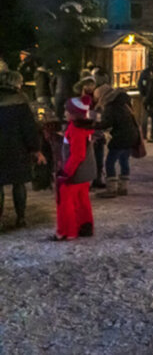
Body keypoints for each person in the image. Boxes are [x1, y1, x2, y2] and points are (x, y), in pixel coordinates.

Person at [0, 69, 45, 229]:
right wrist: (35, 149)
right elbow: (29, 129)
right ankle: (21, 217)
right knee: (18, 184)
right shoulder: (20, 101)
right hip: (17, 149)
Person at [56, 97, 97, 240]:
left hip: (75, 173)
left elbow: (77, 155)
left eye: (67, 111)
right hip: (85, 172)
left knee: (66, 201)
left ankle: (68, 231)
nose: (65, 113)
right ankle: (84, 227)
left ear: (74, 114)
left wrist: (66, 173)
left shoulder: (75, 129)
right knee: (82, 201)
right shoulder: (85, 126)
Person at [93, 85, 139, 198]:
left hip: (120, 137)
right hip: (131, 135)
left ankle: (111, 189)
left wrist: (93, 125)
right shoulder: (122, 101)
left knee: (110, 162)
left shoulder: (111, 105)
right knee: (124, 161)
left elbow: (107, 123)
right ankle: (123, 187)